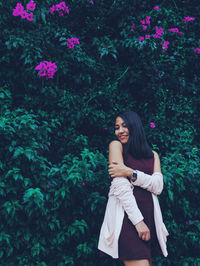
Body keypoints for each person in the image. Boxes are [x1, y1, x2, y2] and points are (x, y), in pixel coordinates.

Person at [98, 110, 168, 266]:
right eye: (117, 127)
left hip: (150, 220)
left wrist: (130, 172)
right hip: (129, 220)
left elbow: (158, 187)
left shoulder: (153, 155)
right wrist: (138, 222)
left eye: (124, 126)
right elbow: (120, 186)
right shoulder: (116, 146)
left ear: (134, 126)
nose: (120, 131)